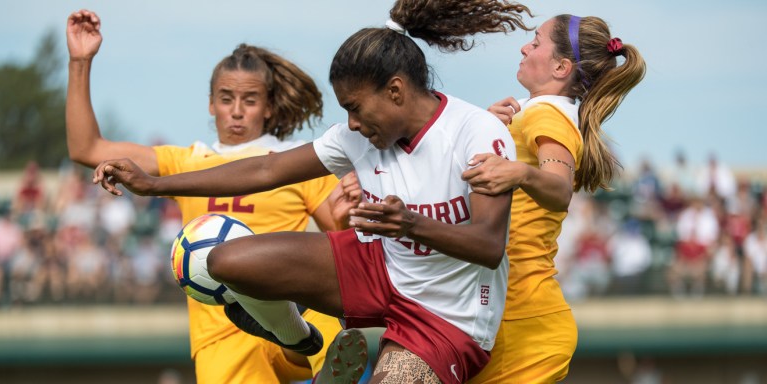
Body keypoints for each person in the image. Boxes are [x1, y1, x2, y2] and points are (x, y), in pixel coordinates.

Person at [91, 1, 533, 382]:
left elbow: (488, 245)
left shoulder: (476, 131)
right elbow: (266, 169)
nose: (353, 124)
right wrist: (152, 186)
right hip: (377, 267)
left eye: (355, 109)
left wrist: (408, 224)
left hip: (445, 317)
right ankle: (298, 337)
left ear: (396, 90)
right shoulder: (355, 138)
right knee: (222, 260)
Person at [66, 9, 353, 383]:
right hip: (222, 331)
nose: (236, 111)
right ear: (210, 103)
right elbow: (88, 148)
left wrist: (350, 214)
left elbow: (343, 237)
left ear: (268, 107)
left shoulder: (298, 162)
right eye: (226, 98)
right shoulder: (186, 162)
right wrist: (79, 60)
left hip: (295, 308)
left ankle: (324, 358)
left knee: (323, 319)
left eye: (249, 100)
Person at [461, 14, 646, 382]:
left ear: (561, 67)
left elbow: (558, 188)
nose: (524, 47)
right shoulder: (536, 113)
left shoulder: (548, 114)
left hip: (523, 325)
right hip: (510, 318)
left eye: (535, 40)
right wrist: (486, 129)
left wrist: (520, 172)